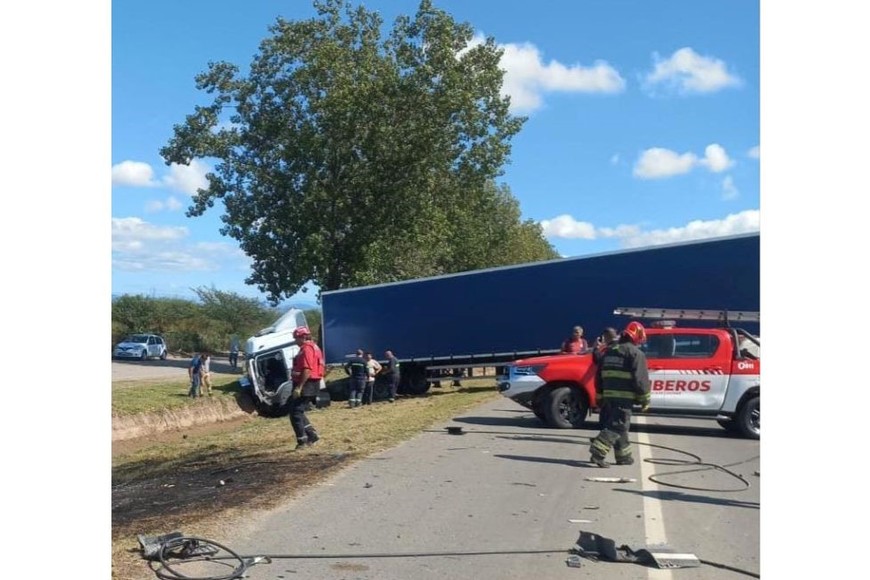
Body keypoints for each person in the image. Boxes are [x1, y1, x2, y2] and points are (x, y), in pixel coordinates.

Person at [588, 321, 650, 468]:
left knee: (620, 427)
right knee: (618, 426)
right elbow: (640, 380)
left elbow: (599, 375)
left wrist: (599, 394)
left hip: (609, 397)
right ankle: (597, 452)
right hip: (624, 398)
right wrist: (645, 399)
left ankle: (624, 457)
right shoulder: (636, 354)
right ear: (636, 338)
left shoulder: (610, 350)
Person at [288, 326, 324, 449]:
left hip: (307, 384)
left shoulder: (306, 349)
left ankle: (302, 441)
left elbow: (307, 370)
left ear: (303, 337)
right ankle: (311, 435)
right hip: (311, 384)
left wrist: (299, 387)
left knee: (295, 413)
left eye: (296, 338)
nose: (295, 341)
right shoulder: (314, 347)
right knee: (297, 411)